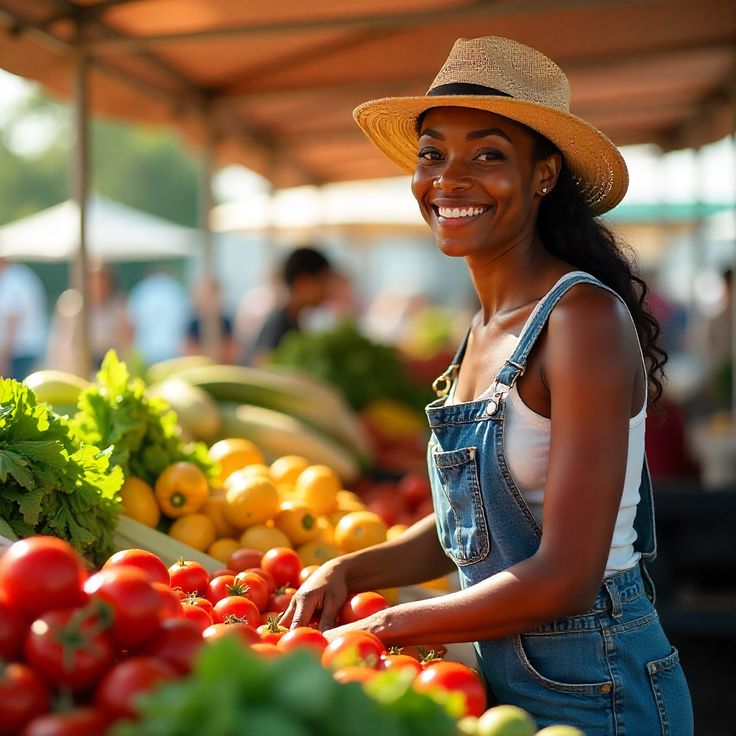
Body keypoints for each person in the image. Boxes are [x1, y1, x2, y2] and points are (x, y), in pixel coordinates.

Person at [282, 37, 693, 734]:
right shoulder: (484, 328)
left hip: (601, 682)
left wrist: (382, 625)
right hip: (509, 674)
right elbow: (472, 536)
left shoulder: (581, 318)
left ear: (543, 176)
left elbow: (566, 574)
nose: (449, 177)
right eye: (433, 153)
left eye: (489, 154)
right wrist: (350, 571)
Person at [243, 246, 332, 366]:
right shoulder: (278, 323)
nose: (326, 291)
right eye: (323, 282)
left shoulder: (292, 321)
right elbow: (261, 365)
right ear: (303, 282)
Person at [126, 267, 190, 366]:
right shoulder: (175, 289)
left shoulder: (141, 290)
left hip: (149, 350)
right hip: (170, 350)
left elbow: (132, 322)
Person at [0, 257, 47, 379]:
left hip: (17, 354)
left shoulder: (12, 280)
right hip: (24, 352)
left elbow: (12, 322)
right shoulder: (20, 275)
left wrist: (3, 359)